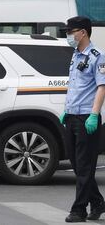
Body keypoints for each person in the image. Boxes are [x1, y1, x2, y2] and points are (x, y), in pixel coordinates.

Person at [60, 16, 105, 223]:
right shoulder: (75, 54)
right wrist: (66, 110)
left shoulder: (97, 56)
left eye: (71, 32)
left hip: (87, 117)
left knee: (85, 166)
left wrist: (94, 115)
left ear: (83, 32)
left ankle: (79, 210)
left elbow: (101, 87)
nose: (69, 35)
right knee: (78, 166)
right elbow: (75, 86)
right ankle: (97, 202)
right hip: (72, 116)